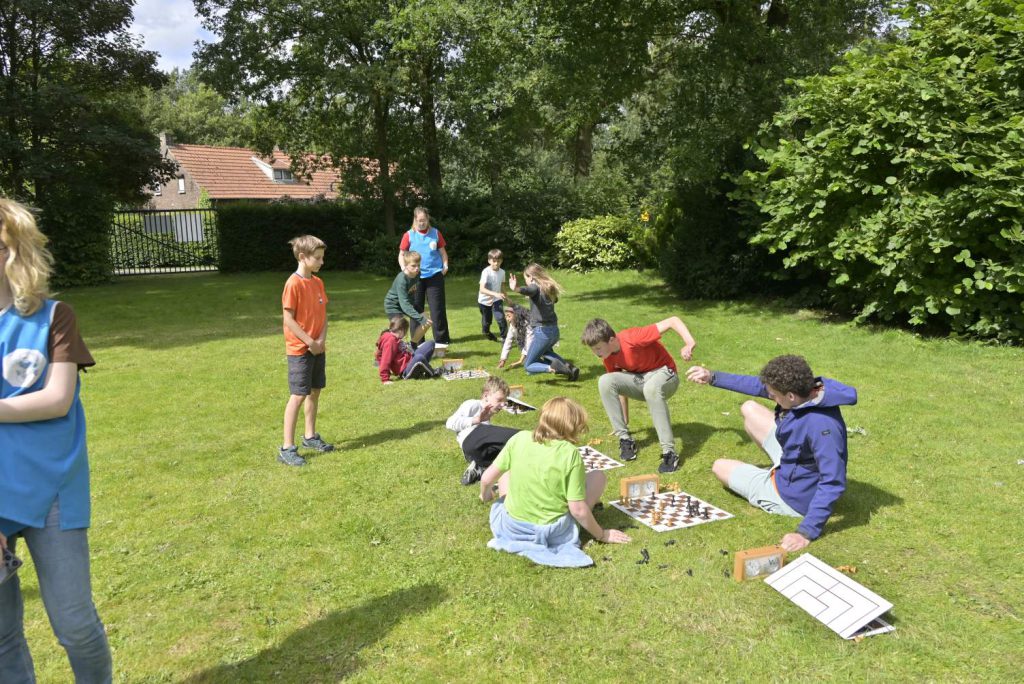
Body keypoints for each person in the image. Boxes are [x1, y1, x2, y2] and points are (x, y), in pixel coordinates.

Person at [0, 198, 113, 682]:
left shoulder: (53, 317)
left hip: (52, 491)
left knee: (75, 625)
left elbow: (58, 399)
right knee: (2, 637)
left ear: (15, 250)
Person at [685, 355, 858, 552]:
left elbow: (833, 481)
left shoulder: (822, 428)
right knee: (749, 408)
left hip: (795, 497)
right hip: (795, 458)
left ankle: (773, 487)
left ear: (790, 396)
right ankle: (779, 469)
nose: (770, 396)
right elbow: (760, 387)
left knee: (720, 467)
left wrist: (805, 532)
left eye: (774, 395)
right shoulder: (809, 391)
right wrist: (712, 377)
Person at [480, 397, 630, 567]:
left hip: (513, 527)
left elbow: (486, 478)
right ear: (572, 426)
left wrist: (485, 495)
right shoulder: (570, 454)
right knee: (597, 476)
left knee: (506, 472)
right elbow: (577, 510)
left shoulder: (519, 438)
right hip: (552, 532)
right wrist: (602, 534)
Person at [581, 317, 697, 474]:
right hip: (642, 381)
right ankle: (625, 440)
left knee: (651, 388)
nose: (596, 353)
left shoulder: (633, 337)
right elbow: (618, 388)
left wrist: (689, 343)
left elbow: (673, 321)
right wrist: (624, 420)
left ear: (611, 340)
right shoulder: (608, 356)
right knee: (605, 381)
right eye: (593, 349)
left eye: (598, 348)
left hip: (666, 375)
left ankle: (669, 453)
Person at [279, 235, 334, 467]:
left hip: (317, 347)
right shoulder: (293, 283)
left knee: (314, 391)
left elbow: (324, 316)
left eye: (322, 257)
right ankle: (287, 448)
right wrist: (309, 341)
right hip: (300, 350)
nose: (322, 262)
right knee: (298, 395)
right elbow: (288, 319)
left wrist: (320, 340)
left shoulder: (318, 282)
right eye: (318, 258)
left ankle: (310, 436)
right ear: (302, 257)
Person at [508, 264, 578, 380]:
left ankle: (553, 368)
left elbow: (529, 289)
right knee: (545, 353)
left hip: (542, 332)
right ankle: (571, 369)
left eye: (526, 278)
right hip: (554, 331)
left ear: (531, 277)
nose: (526, 281)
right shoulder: (547, 288)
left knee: (528, 365)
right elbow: (552, 299)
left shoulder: (534, 287)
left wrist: (516, 289)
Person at [445, 377, 519, 485]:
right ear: (486, 396)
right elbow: (450, 423)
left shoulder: (487, 418)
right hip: (471, 440)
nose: (503, 404)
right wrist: (476, 420)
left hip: (476, 454)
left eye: (504, 401)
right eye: (499, 400)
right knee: (519, 436)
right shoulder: (473, 404)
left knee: (511, 457)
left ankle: (480, 470)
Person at [398, 206, 449, 345]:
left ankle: (442, 341)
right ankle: (417, 342)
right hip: (415, 278)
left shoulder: (436, 233)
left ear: (428, 219)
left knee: (437, 309)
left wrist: (445, 266)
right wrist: (404, 269)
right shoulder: (408, 235)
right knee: (416, 310)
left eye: (424, 220)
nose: (422, 223)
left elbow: (443, 253)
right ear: (415, 220)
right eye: (419, 220)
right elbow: (401, 255)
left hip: (435, 276)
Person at [384, 251, 431, 344]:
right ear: (405, 265)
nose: (417, 268)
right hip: (393, 306)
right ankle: (384, 342)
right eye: (413, 266)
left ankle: (412, 345)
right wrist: (420, 319)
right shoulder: (402, 279)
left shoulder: (417, 274)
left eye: (418, 265)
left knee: (427, 319)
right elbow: (404, 304)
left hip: (408, 303)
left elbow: (411, 293)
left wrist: (421, 317)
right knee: (400, 330)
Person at [375, 317, 438, 383]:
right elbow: (385, 359)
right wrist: (385, 379)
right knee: (419, 357)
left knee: (430, 344)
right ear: (401, 330)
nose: (405, 334)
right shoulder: (390, 341)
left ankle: (422, 368)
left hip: (410, 359)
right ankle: (434, 372)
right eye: (405, 332)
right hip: (405, 370)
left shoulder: (394, 337)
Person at [478, 248, 507, 342]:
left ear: (501, 261)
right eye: (494, 261)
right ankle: (487, 333)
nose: (496, 263)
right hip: (484, 302)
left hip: (497, 300)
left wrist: (507, 297)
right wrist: (495, 293)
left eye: (498, 261)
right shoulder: (486, 272)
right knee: (487, 323)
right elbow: (482, 289)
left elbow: (502, 286)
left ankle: (504, 338)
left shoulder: (502, 272)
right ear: (489, 261)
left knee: (501, 318)